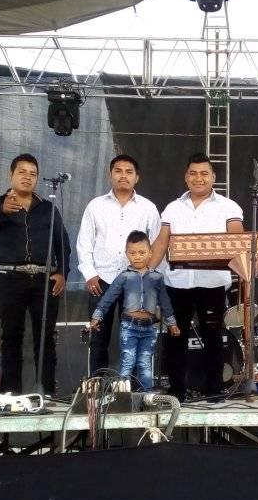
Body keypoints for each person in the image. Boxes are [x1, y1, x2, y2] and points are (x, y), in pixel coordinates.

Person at [150, 153, 244, 401]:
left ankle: (214, 391)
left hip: (213, 283)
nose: (198, 178)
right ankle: (177, 392)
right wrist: (146, 272)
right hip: (177, 282)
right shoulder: (173, 207)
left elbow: (238, 241)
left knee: (213, 337)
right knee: (175, 337)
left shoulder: (229, 206)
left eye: (204, 174)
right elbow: (161, 242)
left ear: (213, 177)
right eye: (193, 173)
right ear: (186, 177)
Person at [0, 153, 71, 395]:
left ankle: (46, 391)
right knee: (12, 335)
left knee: (45, 337)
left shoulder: (48, 208)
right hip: (10, 277)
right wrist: (2, 210)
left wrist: (62, 272)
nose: (27, 177)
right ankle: (10, 391)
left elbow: (62, 243)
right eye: (22, 172)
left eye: (33, 174)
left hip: (44, 279)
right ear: (10, 175)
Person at [76, 154, 161, 374]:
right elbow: (84, 243)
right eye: (118, 171)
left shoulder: (148, 208)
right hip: (101, 281)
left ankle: (135, 387)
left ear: (137, 177)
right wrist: (89, 274)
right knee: (98, 337)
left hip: (137, 282)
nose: (123, 176)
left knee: (136, 338)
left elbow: (157, 246)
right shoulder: (95, 206)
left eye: (129, 172)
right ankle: (98, 385)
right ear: (110, 175)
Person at [89, 231, 179, 390]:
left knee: (145, 362)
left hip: (149, 327)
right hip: (129, 326)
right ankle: (123, 396)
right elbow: (108, 297)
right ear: (127, 254)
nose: (137, 257)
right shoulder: (124, 277)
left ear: (150, 253)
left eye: (142, 253)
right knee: (127, 361)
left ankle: (146, 396)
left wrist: (172, 323)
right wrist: (97, 316)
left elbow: (165, 302)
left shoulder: (157, 278)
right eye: (133, 253)